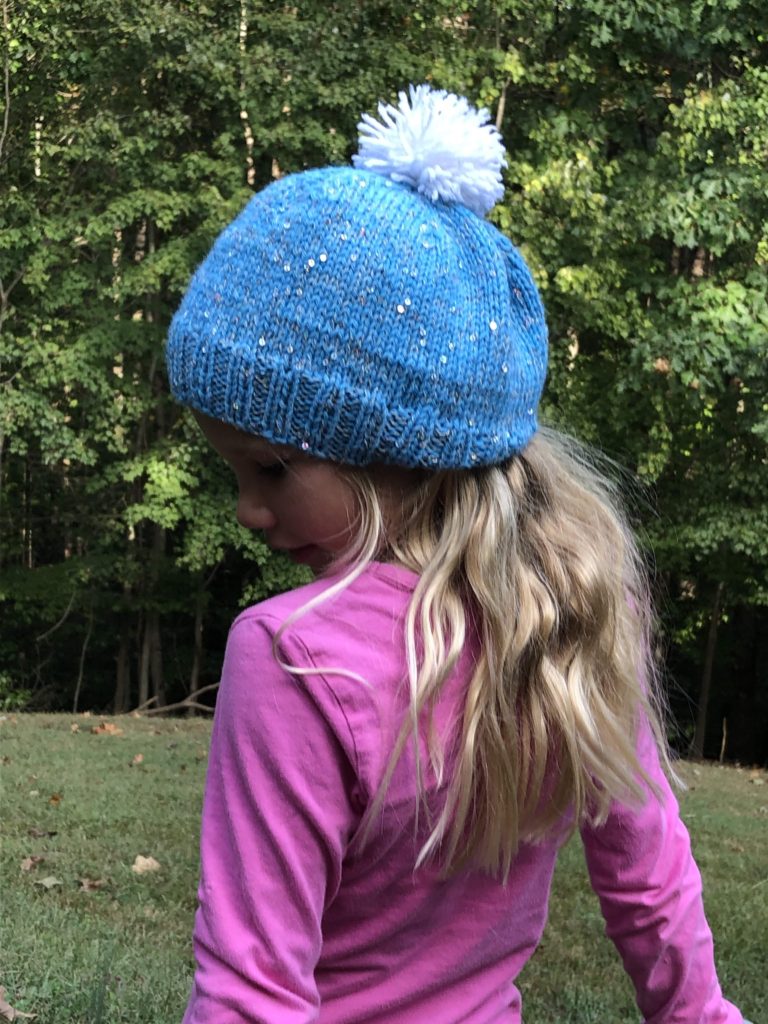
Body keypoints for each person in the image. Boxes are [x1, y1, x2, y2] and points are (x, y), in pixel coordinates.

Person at [166, 86, 749, 1024]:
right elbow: (649, 877)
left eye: (272, 468)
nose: (247, 511)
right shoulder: (584, 612)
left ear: (398, 453)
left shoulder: (290, 655)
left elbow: (250, 988)